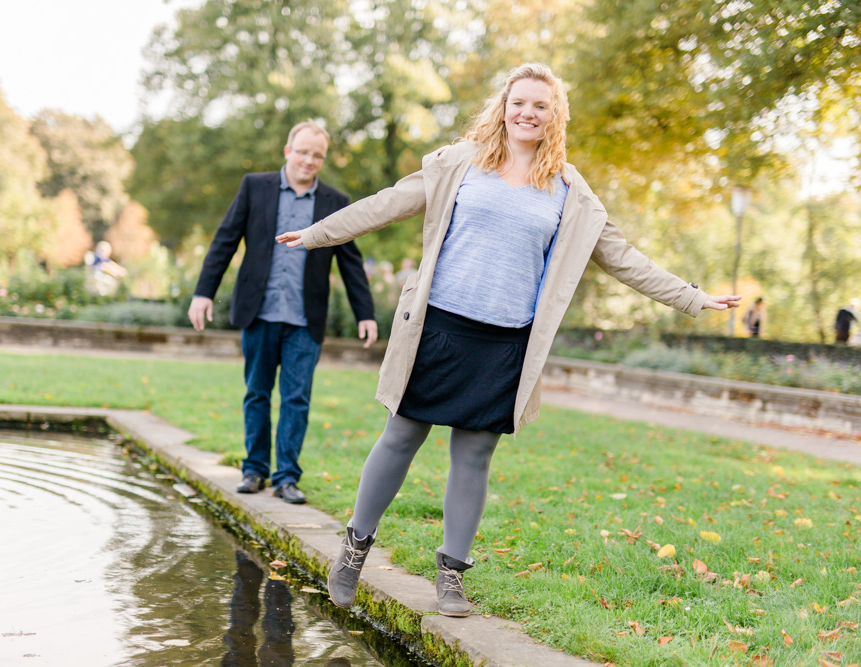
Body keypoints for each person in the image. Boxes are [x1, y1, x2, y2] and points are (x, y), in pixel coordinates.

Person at [277, 63, 740, 617]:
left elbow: (623, 258)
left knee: (474, 456)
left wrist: (693, 297)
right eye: (518, 102)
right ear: (503, 106)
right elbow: (386, 204)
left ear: (554, 116)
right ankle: (354, 549)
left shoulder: (571, 192)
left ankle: (451, 574)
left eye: (540, 105)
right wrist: (316, 235)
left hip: (503, 343)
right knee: (400, 437)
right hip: (439, 328)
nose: (527, 112)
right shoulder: (460, 163)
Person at [189, 120, 378, 505]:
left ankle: (287, 477)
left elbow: (351, 263)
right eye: (304, 151)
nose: (309, 161)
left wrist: (366, 313)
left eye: (318, 156)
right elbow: (224, 240)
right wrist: (203, 293)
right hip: (259, 312)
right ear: (288, 150)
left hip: (305, 319)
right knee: (257, 393)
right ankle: (254, 470)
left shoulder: (334, 202)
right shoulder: (254, 187)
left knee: (296, 398)